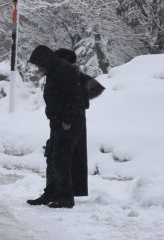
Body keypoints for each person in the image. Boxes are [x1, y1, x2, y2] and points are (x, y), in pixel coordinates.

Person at [25, 44, 87, 209]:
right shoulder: (54, 71)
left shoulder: (64, 71)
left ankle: (66, 198)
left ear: (45, 60)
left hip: (68, 123)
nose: (38, 68)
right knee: (53, 156)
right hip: (58, 122)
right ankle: (51, 193)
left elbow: (73, 97)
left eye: (38, 64)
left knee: (61, 159)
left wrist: (67, 120)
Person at [55, 48, 105, 198]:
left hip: (71, 119)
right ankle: (75, 189)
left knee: (68, 155)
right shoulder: (77, 74)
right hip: (77, 117)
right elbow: (95, 89)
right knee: (75, 155)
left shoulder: (72, 75)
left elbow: (90, 91)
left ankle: (69, 190)